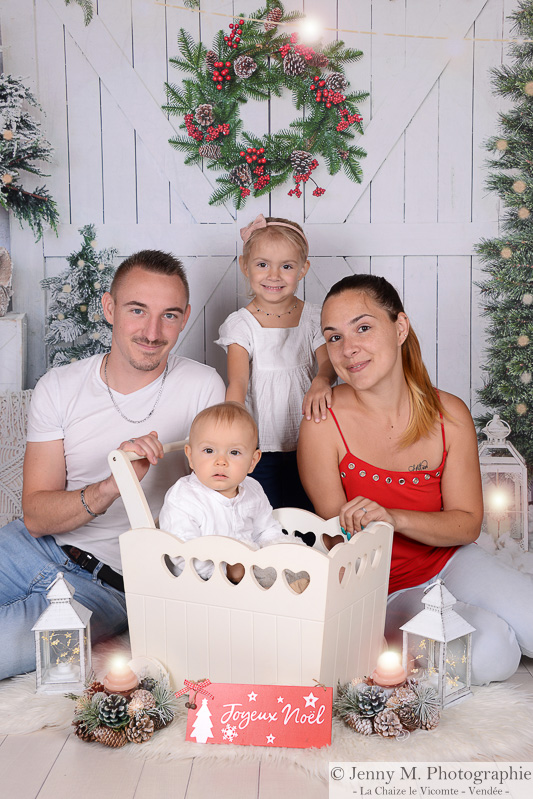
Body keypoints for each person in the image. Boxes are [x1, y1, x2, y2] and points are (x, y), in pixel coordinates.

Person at [0, 250, 225, 680]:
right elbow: (35, 516)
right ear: (109, 308)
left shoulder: (203, 389)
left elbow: (222, 507)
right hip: (27, 549)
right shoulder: (59, 387)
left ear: (186, 317)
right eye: (137, 310)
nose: (153, 332)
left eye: (170, 315)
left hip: (107, 588)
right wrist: (111, 485)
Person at [298, 273, 533, 685]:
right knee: (491, 650)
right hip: (384, 590)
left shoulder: (449, 414)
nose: (348, 349)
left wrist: (395, 516)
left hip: (453, 561)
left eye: (364, 328)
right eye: (333, 337)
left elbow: (466, 523)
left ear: (400, 328)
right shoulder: (323, 422)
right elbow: (341, 541)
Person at [215, 214, 337, 510]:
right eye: (262, 264)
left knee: (308, 510)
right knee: (263, 511)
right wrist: (231, 429)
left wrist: (321, 380)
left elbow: (328, 364)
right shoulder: (241, 324)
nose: (274, 275)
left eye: (286, 266)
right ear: (245, 266)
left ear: (303, 269)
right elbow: (239, 381)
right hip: (261, 442)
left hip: (310, 436)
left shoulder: (313, 317)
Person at [159, 401, 298, 584]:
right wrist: (226, 571)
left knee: (289, 575)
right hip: (199, 585)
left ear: (253, 461)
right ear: (191, 456)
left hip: (249, 576)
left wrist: (281, 551)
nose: (221, 461)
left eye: (234, 452)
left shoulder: (253, 489)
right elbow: (181, 553)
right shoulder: (184, 497)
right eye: (209, 450)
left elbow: (266, 530)